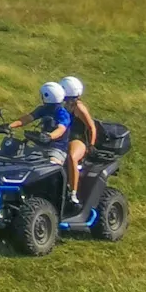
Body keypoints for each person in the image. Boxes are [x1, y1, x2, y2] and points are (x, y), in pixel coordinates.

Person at [60, 75, 96, 209]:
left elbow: (91, 127)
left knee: (71, 156)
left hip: (78, 139)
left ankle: (73, 193)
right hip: (64, 138)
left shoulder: (78, 107)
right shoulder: (64, 105)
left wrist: (91, 145)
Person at [13, 81, 72, 154]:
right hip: (41, 146)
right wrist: (10, 125)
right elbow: (28, 118)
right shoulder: (43, 109)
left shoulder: (63, 113)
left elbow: (61, 129)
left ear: (47, 96)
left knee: (52, 160)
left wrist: (49, 136)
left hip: (57, 148)